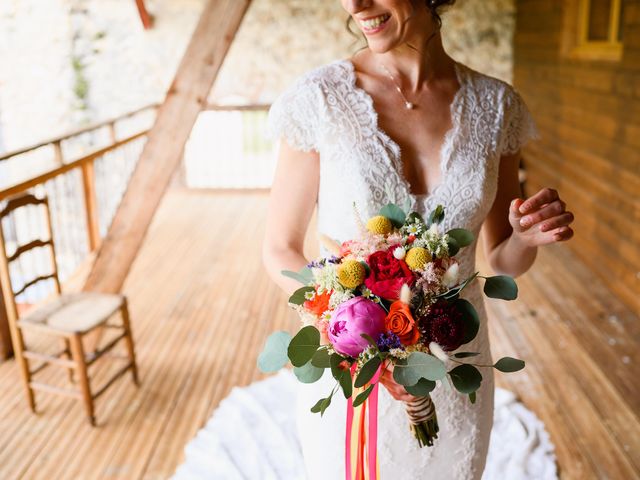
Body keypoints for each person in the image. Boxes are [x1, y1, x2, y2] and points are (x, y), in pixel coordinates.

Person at [262, 1, 574, 478]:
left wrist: (525, 238)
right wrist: (359, 335)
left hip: (458, 363)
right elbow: (279, 247)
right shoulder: (317, 99)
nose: (356, 5)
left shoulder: (497, 107)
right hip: (358, 370)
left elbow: (504, 262)